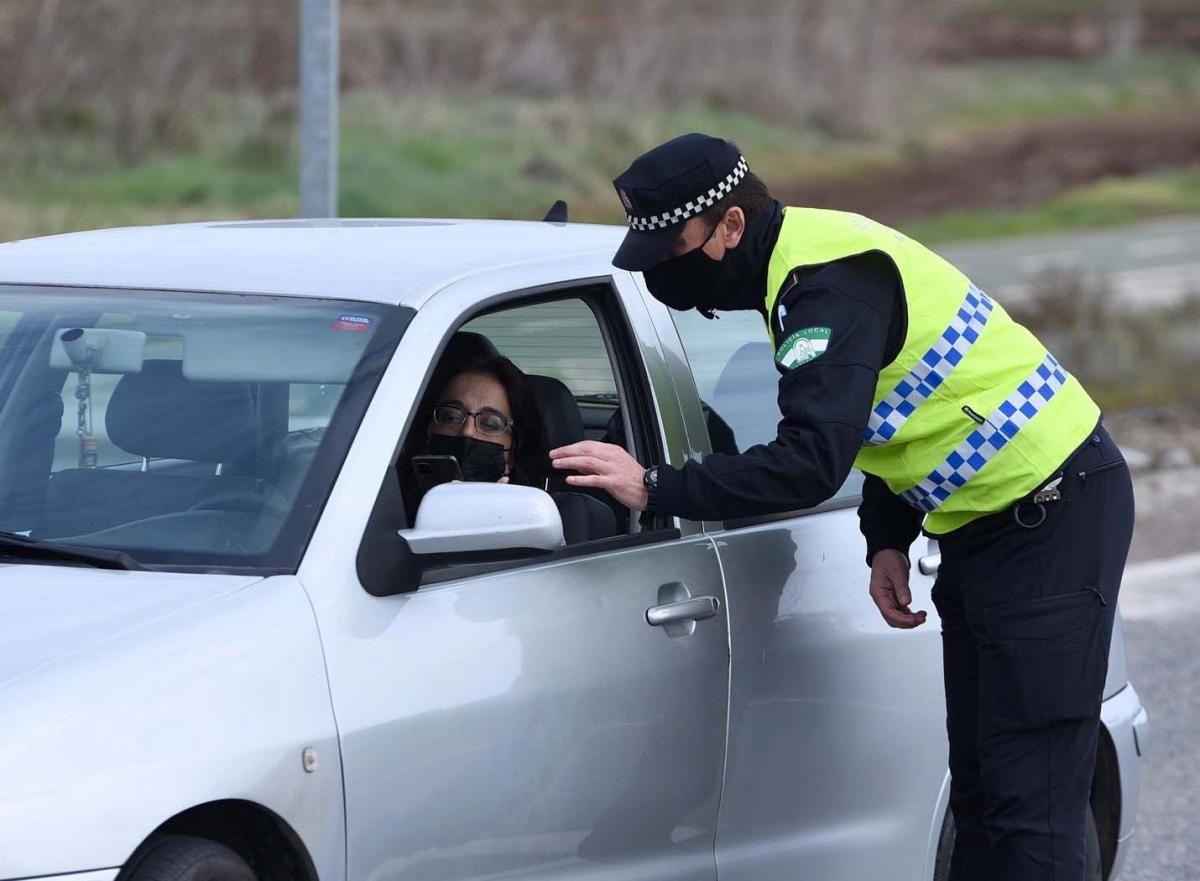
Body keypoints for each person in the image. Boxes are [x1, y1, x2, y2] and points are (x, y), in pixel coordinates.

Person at [550, 133, 1133, 881]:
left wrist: (656, 486)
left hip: (1052, 513)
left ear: (731, 225)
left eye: (674, 247)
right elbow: (897, 407)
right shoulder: (793, 274)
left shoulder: (828, 282)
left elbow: (810, 460)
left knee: (1033, 803)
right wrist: (886, 535)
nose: (665, 268)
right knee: (984, 793)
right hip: (986, 526)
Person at [421, 354, 549, 488]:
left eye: (490, 424)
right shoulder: (397, 498)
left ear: (511, 456)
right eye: (451, 417)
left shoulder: (535, 508)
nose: (467, 432)